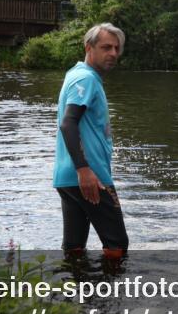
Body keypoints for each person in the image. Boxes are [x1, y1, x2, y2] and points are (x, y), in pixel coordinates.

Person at [53, 23, 129, 258]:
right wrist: (84, 170)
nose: (113, 53)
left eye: (116, 48)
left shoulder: (76, 74)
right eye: (106, 47)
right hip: (91, 178)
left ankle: (75, 281)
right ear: (89, 47)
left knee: (74, 247)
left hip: (67, 178)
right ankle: (114, 284)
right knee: (117, 245)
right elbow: (68, 123)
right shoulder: (86, 79)